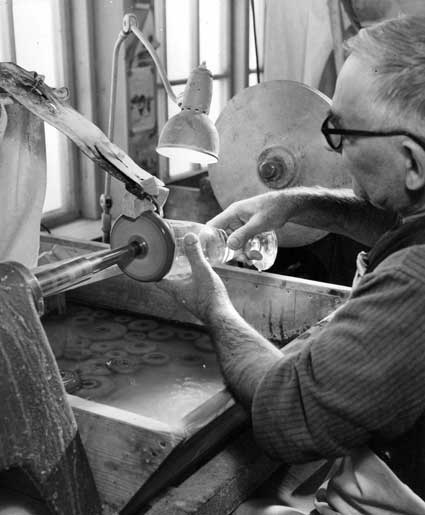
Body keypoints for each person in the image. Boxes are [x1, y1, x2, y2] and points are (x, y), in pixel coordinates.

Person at [159, 15, 425, 515]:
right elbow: (400, 220)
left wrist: (213, 306)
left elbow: (287, 415)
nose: (335, 150)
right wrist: (297, 204)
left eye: (342, 133)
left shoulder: (415, 283)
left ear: (411, 162)